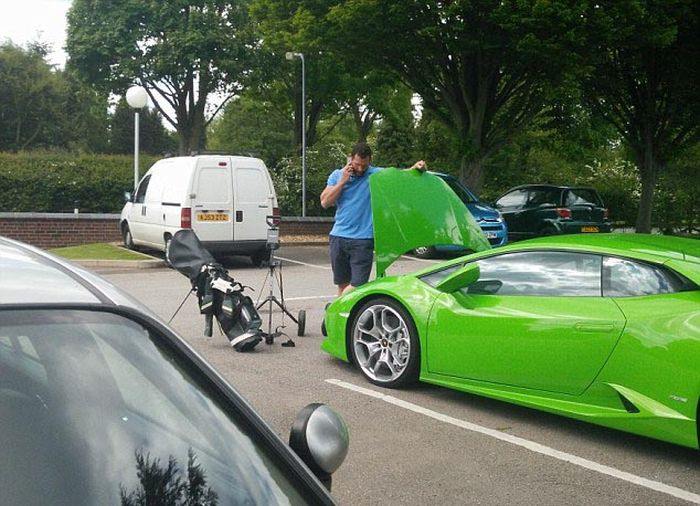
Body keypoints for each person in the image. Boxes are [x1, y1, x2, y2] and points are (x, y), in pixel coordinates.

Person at [320, 142, 426, 296]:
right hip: (338, 237)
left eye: (364, 165)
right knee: (343, 286)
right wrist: (342, 181)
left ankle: (333, 310)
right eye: (357, 165)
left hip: (363, 240)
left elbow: (401, 176)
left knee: (358, 285)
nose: (361, 169)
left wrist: (415, 167)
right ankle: (340, 319)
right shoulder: (337, 175)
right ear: (350, 159)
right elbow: (325, 202)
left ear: (370, 160)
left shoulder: (376, 174)